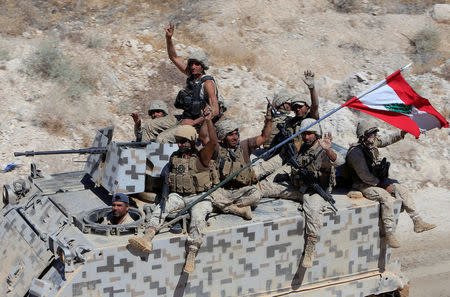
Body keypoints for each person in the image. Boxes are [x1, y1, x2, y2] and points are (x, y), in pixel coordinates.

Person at [128, 109, 218, 274]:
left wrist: (208, 121)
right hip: (179, 195)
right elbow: (167, 172)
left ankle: (192, 253)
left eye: (183, 142)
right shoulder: (175, 156)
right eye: (178, 141)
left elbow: (212, 142)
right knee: (161, 209)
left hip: (199, 197)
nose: (179, 145)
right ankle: (147, 238)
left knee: (198, 218)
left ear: (191, 141)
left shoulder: (202, 157)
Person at [345, 121, 436, 248]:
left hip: (375, 180)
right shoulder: (356, 153)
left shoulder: (371, 143)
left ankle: (417, 221)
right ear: (363, 136)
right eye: (372, 134)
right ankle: (389, 233)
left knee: (401, 189)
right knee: (385, 198)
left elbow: (386, 140)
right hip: (361, 184)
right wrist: (382, 185)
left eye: (374, 134)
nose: (374, 136)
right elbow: (364, 176)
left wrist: (401, 133)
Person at [286, 118, 344, 268]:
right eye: (304, 134)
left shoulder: (322, 149)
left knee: (312, 210)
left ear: (316, 134)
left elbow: (339, 161)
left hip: (318, 190)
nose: (306, 137)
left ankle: (310, 248)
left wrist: (328, 149)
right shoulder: (303, 147)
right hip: (301, 187)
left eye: (310, 134)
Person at [209, 107, 272, 220]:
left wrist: (269, 118)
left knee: (256, 194)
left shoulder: (244, 146)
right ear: (223, 137)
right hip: (223, 191)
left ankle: (224, 207)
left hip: (241, 191)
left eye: (236, 133)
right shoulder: (217, 149)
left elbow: (264, 137)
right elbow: (206, 139)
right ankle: (239, 210)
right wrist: (207, 120)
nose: (235, 137)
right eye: (230, 135)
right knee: (211, 195)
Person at [165, 22, 222, 126]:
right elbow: (174, 57)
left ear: (203, 66)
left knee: (164, 138)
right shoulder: (192, 74)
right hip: (187, 117)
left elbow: (215, 111)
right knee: (151, 126)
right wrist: (169, 38)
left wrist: (194, 122)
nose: (193, 67)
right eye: (191, 64)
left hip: (200, 123)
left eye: (197, 64)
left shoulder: (208, 83)